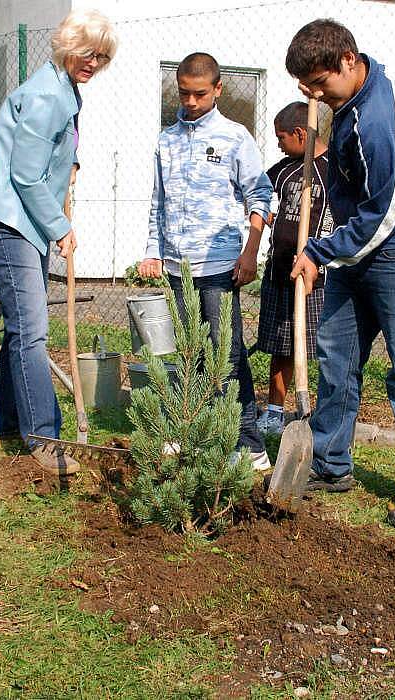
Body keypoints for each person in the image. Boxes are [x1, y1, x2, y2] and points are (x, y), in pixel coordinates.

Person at [286, 19, 395, 527]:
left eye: (319, 84)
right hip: (357, 251)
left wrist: (320, 251)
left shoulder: (380, 117)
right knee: (336, 357)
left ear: (348, 62)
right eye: (305, 87)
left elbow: (385, 212)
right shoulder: (345, 103)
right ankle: (331, 462)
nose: (313, 95)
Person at [0, 10, 117, 475]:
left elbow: (44, 157)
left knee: (20, 329)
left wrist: (70, 165)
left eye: (103, 57)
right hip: (6, 218)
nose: (94, 62)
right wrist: (61, 228)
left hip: (22, 218)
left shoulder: (66, 90)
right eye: (89, 52)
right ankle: (45, 439)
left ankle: (8, 425)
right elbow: (25, 175)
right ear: (69, 46)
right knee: (32, 331)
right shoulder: (48, 94)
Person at [138, 52, 273, 471]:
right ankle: (186, 432)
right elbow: (157, 202)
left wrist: (250, 252)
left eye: (200, 94)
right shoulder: (166, 139)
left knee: (227, 354)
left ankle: (250, 445)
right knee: (188, 353)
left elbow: (260, 195)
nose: (191, 102)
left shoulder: (236, 137)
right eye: (184, 93)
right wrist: (152, 250)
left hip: (220, 266)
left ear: (217, 90)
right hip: (178, 267)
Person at [255, 101, 332, 436]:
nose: (279, 144)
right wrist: (265, 214)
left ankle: (321, 414)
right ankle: (274, 411)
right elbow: (256, 193)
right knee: (280, 345)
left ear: (301, 133)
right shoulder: (285, 170)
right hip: (279, 271)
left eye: (282, 138)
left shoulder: (334, 170)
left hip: (317, 276)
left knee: (322, 347)